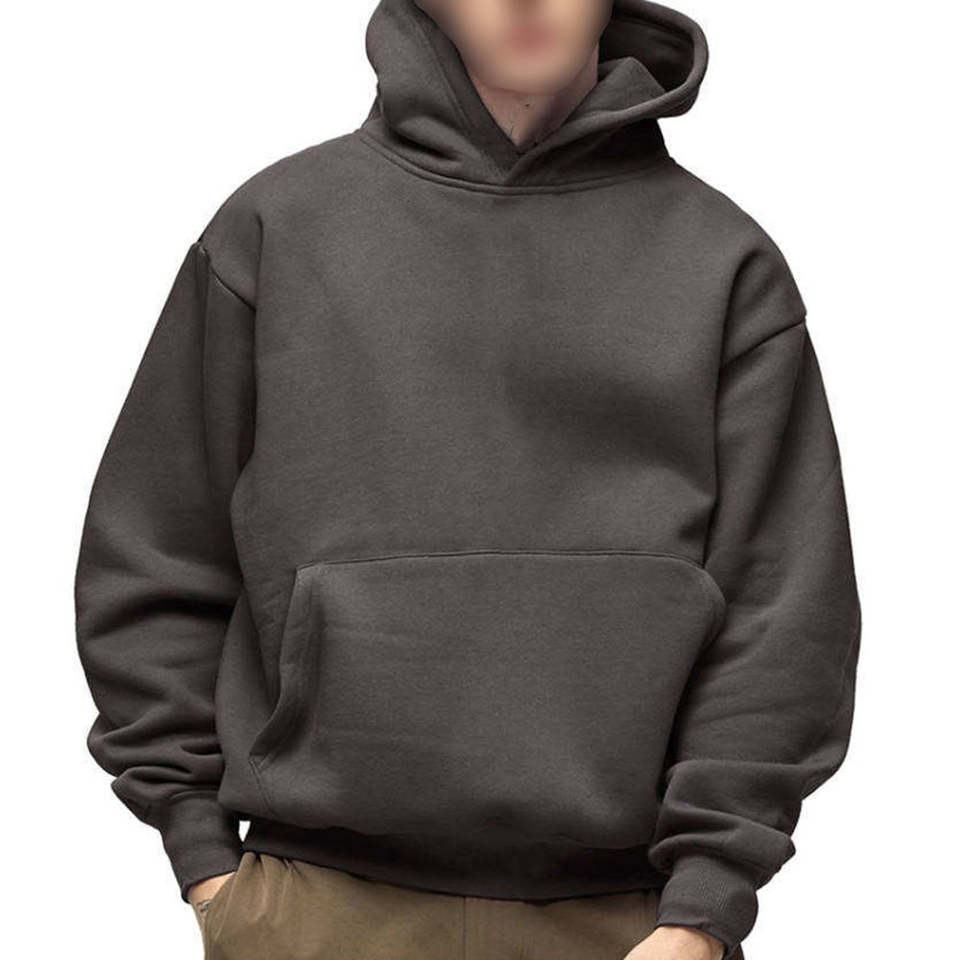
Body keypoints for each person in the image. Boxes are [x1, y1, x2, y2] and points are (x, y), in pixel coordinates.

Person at [74, 1, 862, 958]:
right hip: (316, 909)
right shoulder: (279, 227)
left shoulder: (721, 260)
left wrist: (705, 905)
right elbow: (155, 552)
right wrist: (202, 853)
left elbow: (785, 611)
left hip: (633, 920)